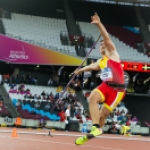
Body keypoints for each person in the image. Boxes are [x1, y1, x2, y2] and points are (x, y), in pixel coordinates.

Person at [74, 12, 125, 145]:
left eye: (104, 44)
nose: (103, 45)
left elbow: (106, 37)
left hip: (117, 91)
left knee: (103, 115)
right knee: (92, 98)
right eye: (100, 45)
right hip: (106, 86)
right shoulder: (101, 62)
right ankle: (96, 128)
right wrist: (80, 70)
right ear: (99, 50)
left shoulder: (113, 54)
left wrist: (99, 24)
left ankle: (95, 131)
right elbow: (91, 66)